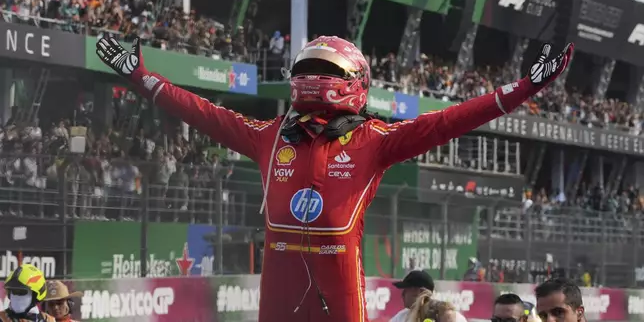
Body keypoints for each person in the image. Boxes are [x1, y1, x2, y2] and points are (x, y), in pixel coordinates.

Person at [95, 33, 573, 322]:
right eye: (311, 68)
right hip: (281, 289)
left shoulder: (376, 138)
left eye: (326, 69)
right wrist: (140, 76)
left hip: (339, 292)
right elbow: (199, 111)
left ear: (355, 80)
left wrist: (525, 87)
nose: (316, 76)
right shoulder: (268, 134)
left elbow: (452, 119)